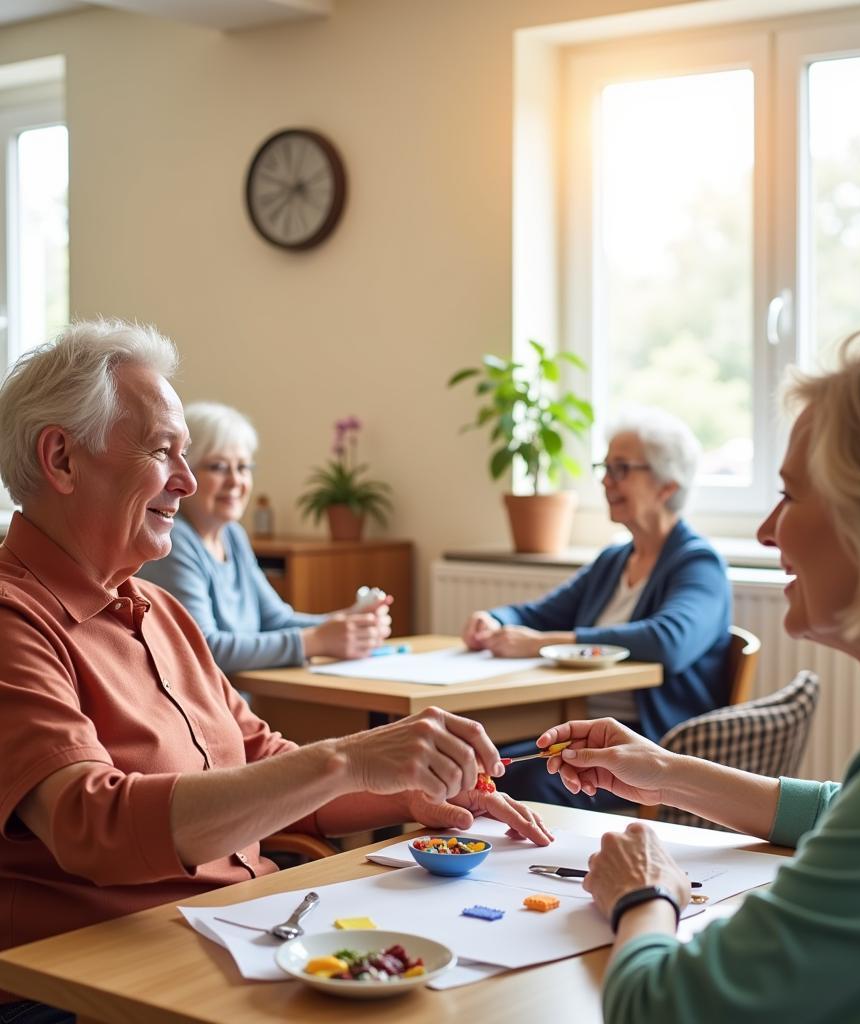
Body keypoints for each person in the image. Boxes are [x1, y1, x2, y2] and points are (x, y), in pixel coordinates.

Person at [0, 320, 551, 1023]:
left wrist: (410, 792)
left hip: (236, 935)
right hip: (91, 985)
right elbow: (91, 824)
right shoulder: (13, 618)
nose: (189, 480)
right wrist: (348, 757)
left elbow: (271, 769)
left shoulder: (159, 609)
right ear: (62, 459)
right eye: (162, 450)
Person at [536, 324, 860, 1021]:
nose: (768, 530)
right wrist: (663, 770)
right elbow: (842, 811)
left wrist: (644, 894)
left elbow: (661, 1009)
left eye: (791, 495)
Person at [462, 407, 731, 805]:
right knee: (480, 764)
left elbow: (667, 642)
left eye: (621, 469)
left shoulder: (698, 563)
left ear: (667, 486)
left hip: (649, 750)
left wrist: (542, 644)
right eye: (604, 467)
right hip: (583, 734)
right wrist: (495, 620)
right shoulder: (614, 561)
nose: (606, 481)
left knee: (519, 783)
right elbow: (539, 614)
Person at [137, 401, 389, 675]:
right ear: (184, 472)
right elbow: (203, 647)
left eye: (243, 468)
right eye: (219, 467)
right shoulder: (174, 540)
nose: (235, 481)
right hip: (200, 712)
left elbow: (274, 620)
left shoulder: (232, 535)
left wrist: (348, 622)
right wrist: (316, 641)